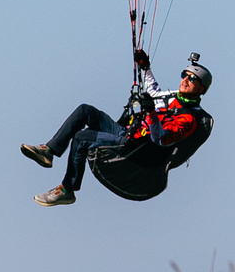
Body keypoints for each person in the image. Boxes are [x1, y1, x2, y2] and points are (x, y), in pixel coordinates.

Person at [22, 49, 211, 206]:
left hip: (132, 146)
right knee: (85, 111)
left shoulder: (189, 118)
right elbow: (153, 92)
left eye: (192, 79)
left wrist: (151, 112)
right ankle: (49, 151)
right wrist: (145, 68)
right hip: (127, 133)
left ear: (201, 88)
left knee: (82, 138)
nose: (185, 80)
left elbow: (160, 139)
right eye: (184, 75)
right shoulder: (173, 97)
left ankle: (67, 189)